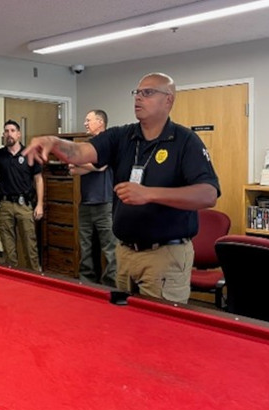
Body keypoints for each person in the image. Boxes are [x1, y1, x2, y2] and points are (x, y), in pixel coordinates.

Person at [23, 73, 220, 303]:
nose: (138, 98)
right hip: (125, 254)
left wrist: (149, 194)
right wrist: (54, 142)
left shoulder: (185, 141)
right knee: (125, 329)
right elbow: (80, 152)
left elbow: (208, 194)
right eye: (137, 92)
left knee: (158, 333)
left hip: (165, 256)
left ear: (168, 100)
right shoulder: (122, 136)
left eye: (147, 93)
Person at [0, 119, 44, 271]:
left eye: (12, 131)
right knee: (8, 248)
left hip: (24, 205)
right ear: (3, 135)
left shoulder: (30, 153)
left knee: (30, 245)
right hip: (5, 205)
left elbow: (38, 179)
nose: (9, 134)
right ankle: (11, 279)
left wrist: (40, 204)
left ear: (19, 134)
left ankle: (35, 278)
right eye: (6, 131)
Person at [69, 109, 117, 287]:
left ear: (100, 122)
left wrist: (86, 164)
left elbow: (102, 166)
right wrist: (93, 166)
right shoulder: (85, 146)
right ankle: (87, 285)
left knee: (111, 249)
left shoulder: (110, 143)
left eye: (88, 120)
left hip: (105, 204)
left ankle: (110, 287)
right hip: (86, 204)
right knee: (86, 248)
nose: (85, 123)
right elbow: (72, 169)